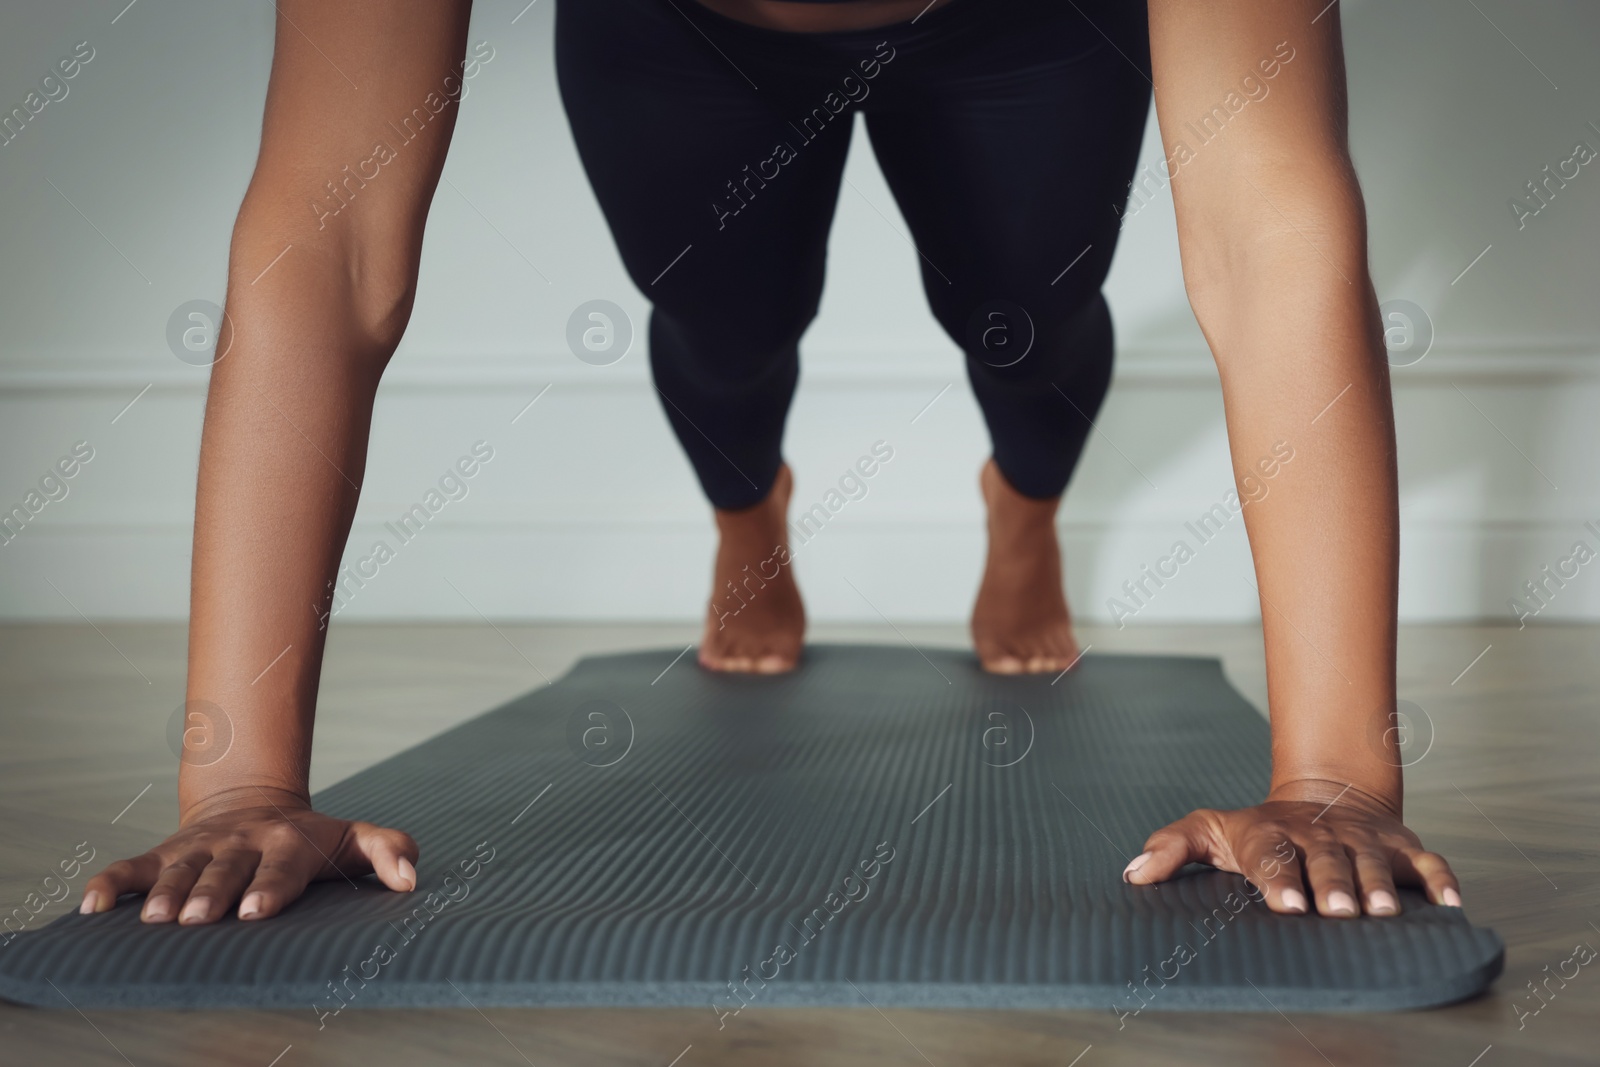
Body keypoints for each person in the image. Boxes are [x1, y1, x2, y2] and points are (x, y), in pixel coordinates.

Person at [79, 0, 1461, 930]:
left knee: (1031, 318)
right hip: (680, 36)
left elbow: (1269, 231)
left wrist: (1334, 776)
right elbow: (327, 247)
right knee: (727, 326)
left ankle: (1022, 508)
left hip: (1030, 22)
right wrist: (243, 789)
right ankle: (752, 515)